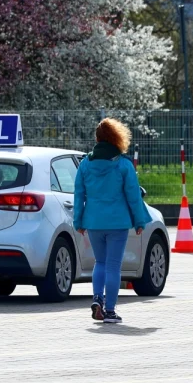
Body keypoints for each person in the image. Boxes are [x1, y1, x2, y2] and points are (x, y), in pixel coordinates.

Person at [73, 118, 150, 324]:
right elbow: (133, 195)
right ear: (117, 138)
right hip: (118, 223)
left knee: (100, 262)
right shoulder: (123, 165)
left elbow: (79, 195)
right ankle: (110, 310)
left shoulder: (85, 165)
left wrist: (78, 221)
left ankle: (97, 298)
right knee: (114, 266)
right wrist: (139, 221)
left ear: (97, 139)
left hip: (93, 222)